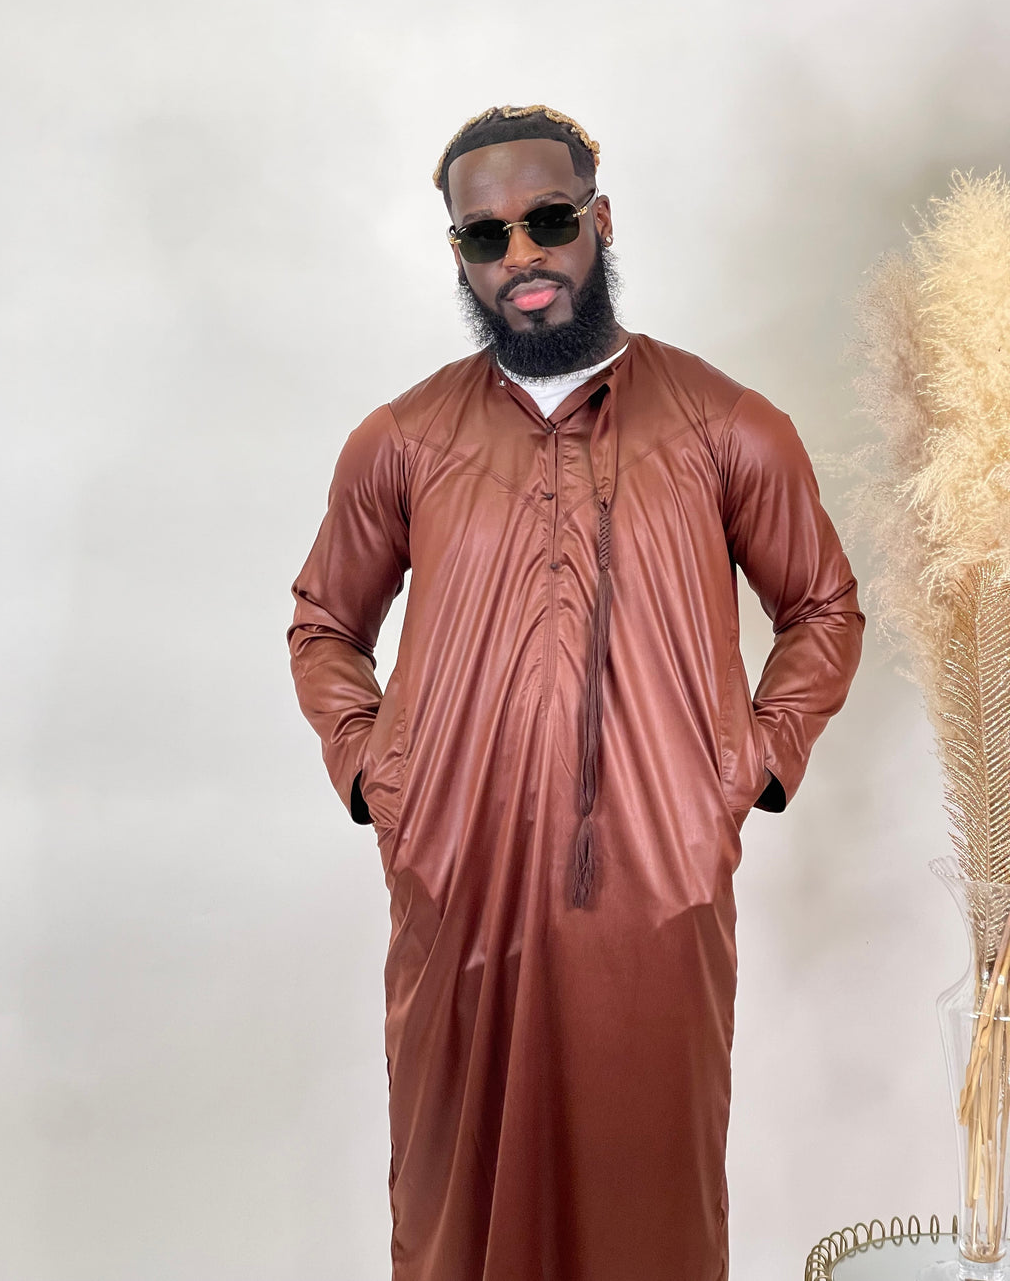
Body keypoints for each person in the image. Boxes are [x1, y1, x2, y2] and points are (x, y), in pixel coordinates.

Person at [287, 103, 863, 1281]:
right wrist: (372, 770)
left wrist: (749, 764)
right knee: (453, 1202)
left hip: (656, 893)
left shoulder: (723, 425)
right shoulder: (402, 441)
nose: (522, 258)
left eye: (547, 221)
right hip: (455, 885)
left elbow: (822, 608)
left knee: (648, 1196)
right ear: (459, 252)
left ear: (599, 220)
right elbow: (326, 625)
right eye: (484, 236)